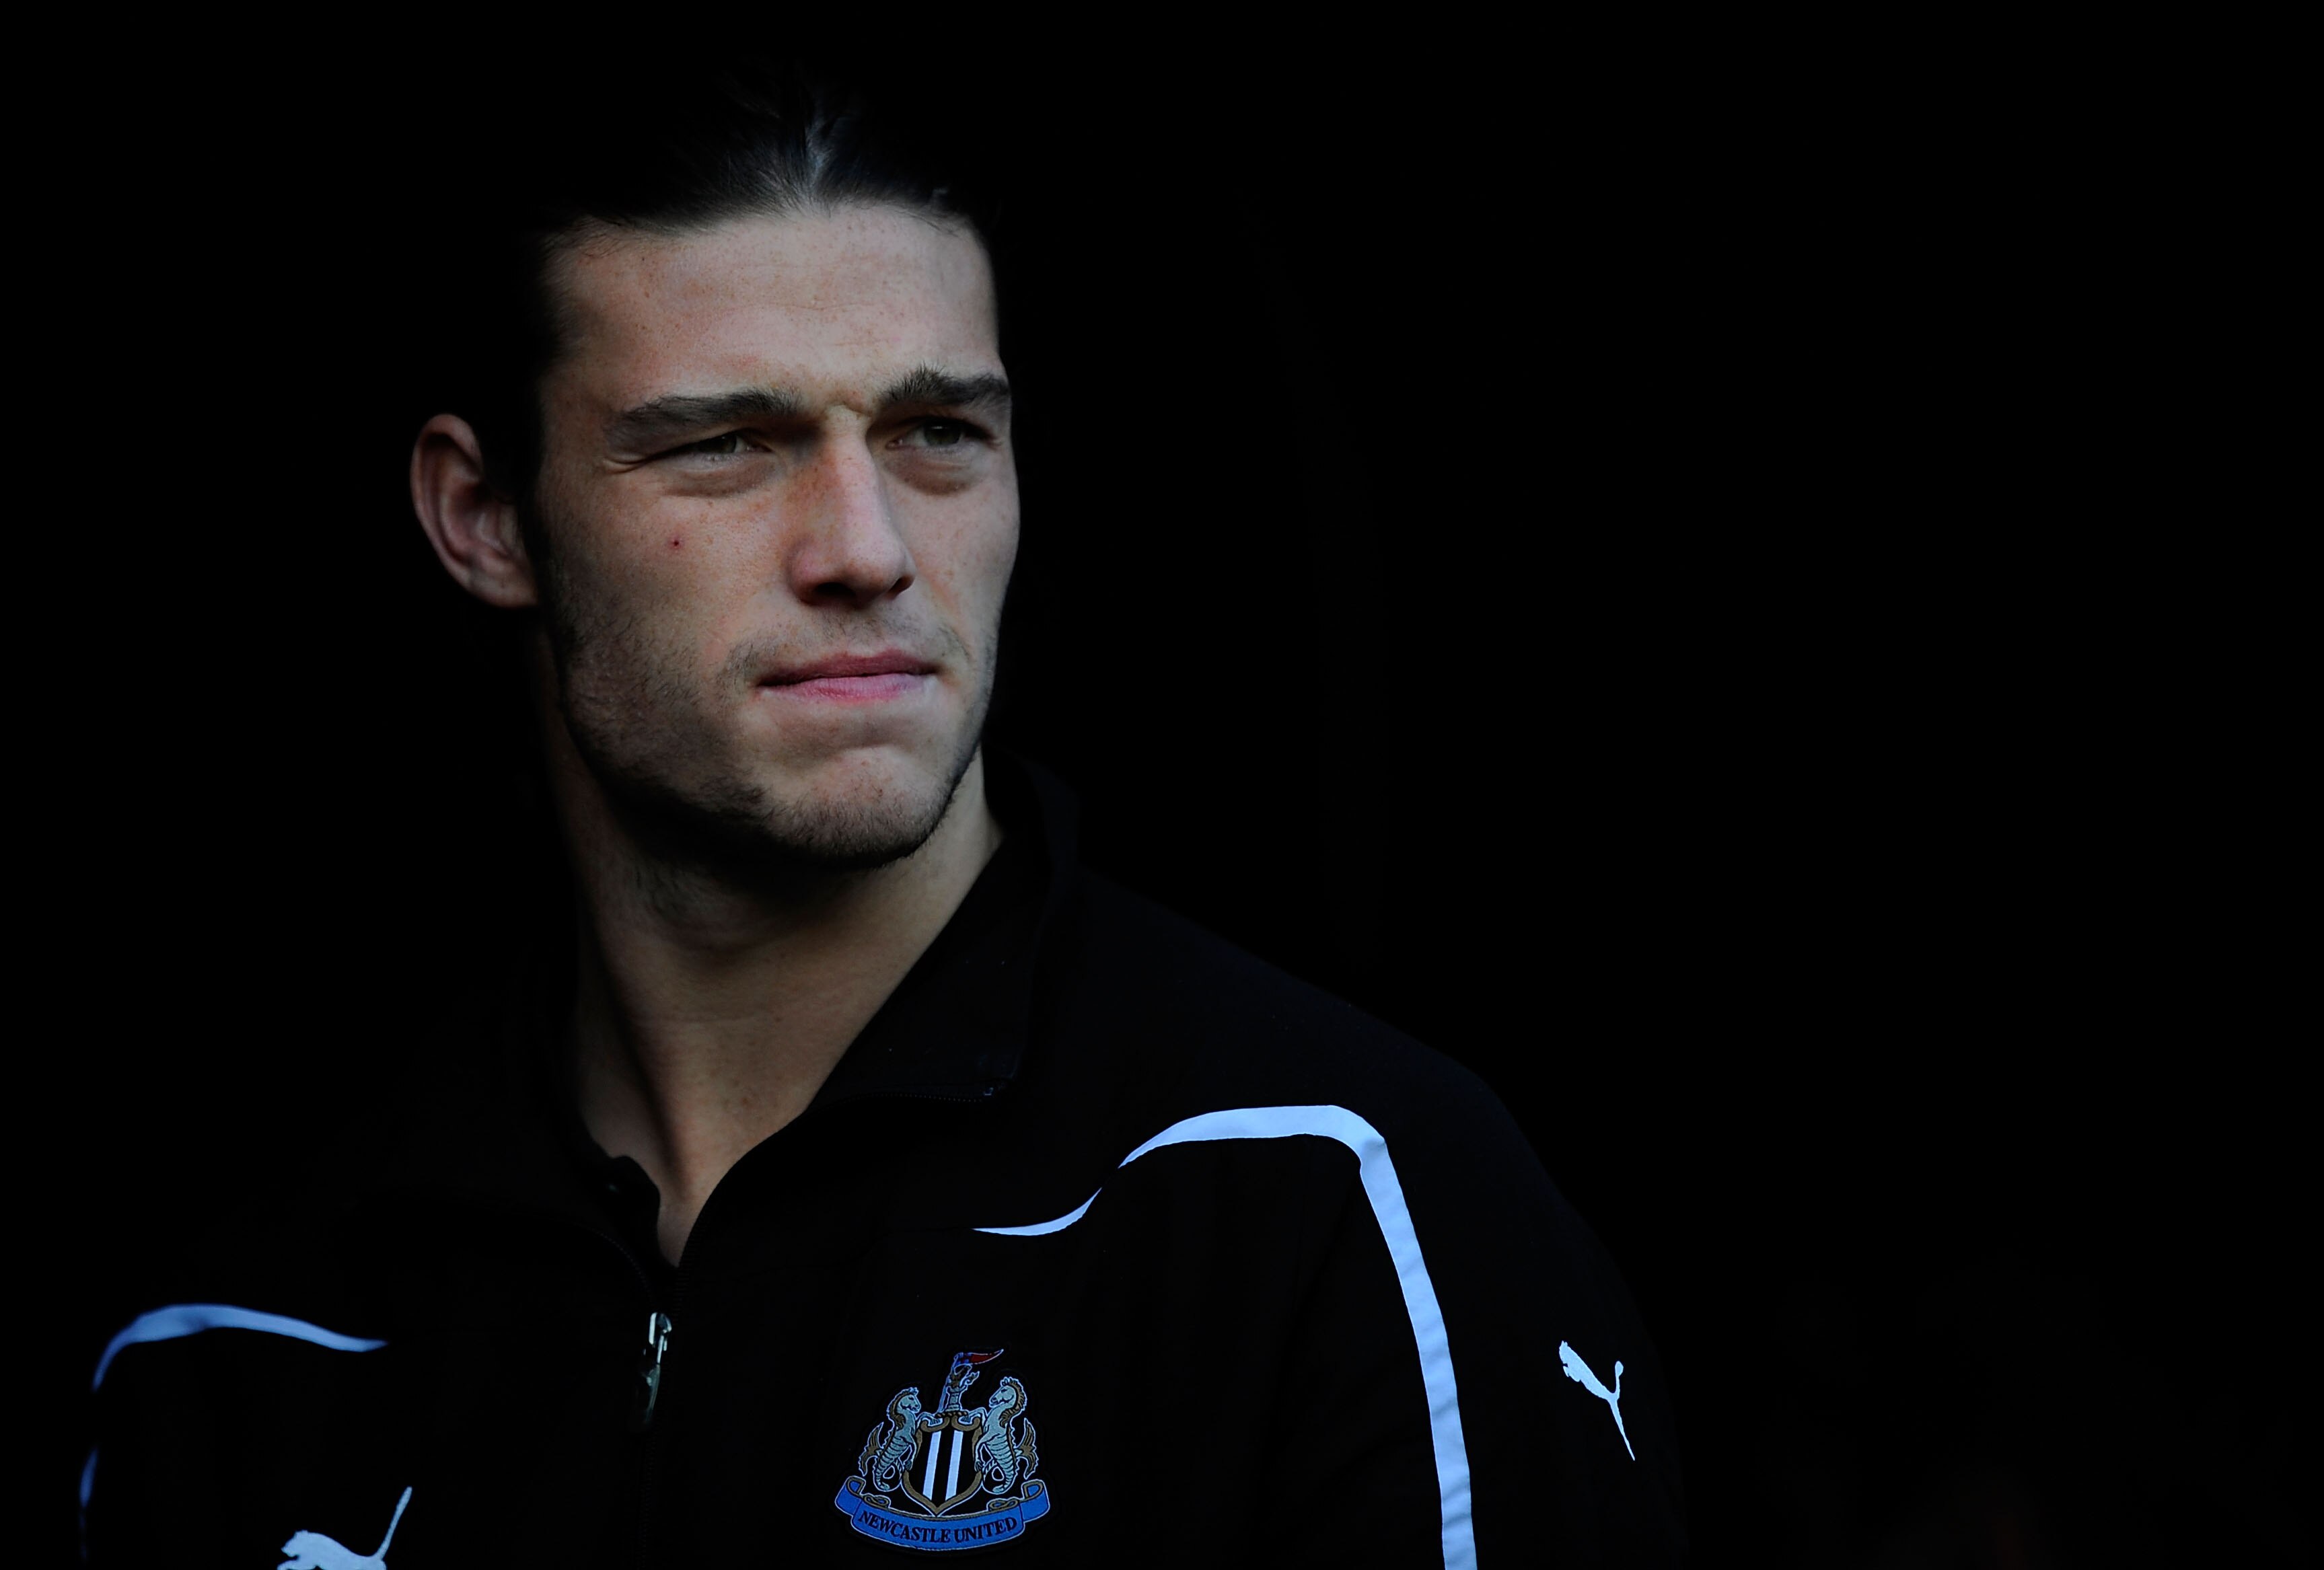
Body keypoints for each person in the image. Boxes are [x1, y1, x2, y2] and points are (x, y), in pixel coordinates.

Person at [82, 68, 1687, 1566]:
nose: (865, 547)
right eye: (723, 445)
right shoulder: (243, 1338)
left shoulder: (1321, 1202)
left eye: (936, 436)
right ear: (484, 516)